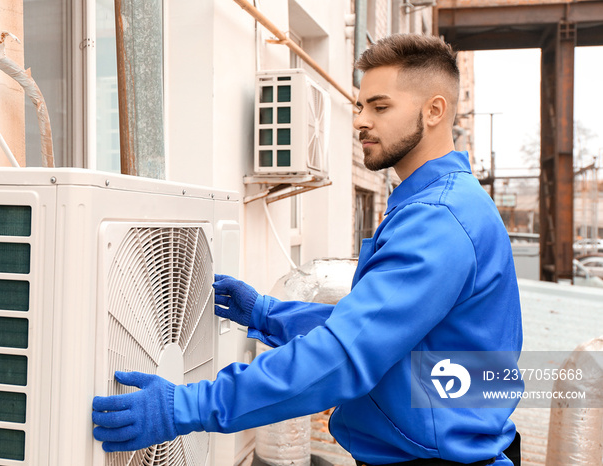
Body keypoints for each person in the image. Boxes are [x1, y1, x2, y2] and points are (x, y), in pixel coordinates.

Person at [92, 33, 523, 466]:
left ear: (434, 111)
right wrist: (265, 314)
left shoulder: (438, 219)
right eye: (359, 106)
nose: (359, 121)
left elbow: (343, 355)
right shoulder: (437, 202)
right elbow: (381, 329)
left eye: (380, 106)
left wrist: (184, 407)